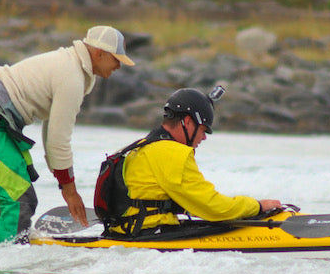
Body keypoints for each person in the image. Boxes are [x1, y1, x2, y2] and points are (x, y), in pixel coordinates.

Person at [0, 25, 135, 242]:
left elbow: (51, 134)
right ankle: (6, 265)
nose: (119, 65)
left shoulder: (68, 65)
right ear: (99, 53)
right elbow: (58, 140)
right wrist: (70, 191)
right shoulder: (71, 76)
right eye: (117, 59)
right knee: (20, 200)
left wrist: (63, 183)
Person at [106, 87, 281, 236]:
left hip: (126, 232)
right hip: (148, 235)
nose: (204, 137)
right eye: (203, 129)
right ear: (188, 122)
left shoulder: (142, 147)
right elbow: (212, 206)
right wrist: (257, 206)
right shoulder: (171, 152)